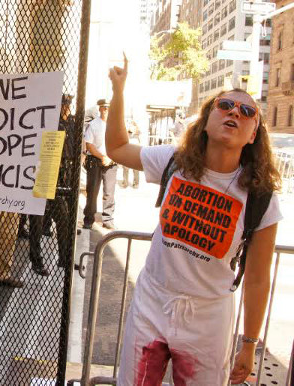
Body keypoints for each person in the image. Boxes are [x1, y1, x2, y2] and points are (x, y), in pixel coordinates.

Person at [106, 55, 282, 385]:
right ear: (206, 120)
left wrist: (248, 345)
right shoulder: (176, 162)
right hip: (152, 303)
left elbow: (258, 278)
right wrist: (118, 90)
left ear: (253, 134)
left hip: (208, 319)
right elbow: (116, 148)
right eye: (225, 105)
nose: (234, 112)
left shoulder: (261, 197)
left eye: (246, 112)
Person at [24, 94, 75, 276]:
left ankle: (64, 258)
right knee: (36, 220)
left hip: (61, 174)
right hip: (43, 171)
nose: (66, 108)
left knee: (63, 217)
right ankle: (36, 260)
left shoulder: (72, 122)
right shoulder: (47, 121)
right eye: (63, 105)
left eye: (67, 105)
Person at [82, 98, 118, 230]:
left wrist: (110, 158)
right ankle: (88, 219)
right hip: (96, 160)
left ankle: (108, 219)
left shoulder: (116, 125)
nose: (106, 111)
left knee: (109, 192)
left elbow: (119, 144)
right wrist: (102, 156)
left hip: (111, 161)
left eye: (108, 108)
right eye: (104, 108)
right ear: (100, 109)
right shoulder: (94, 124)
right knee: (92, 192)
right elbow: (89, 145)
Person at [119, 119, 140, 189]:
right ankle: (125, 183)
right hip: (127, 153)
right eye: (130, 125)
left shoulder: (138, 134)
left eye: (132, 125)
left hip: (135, 153)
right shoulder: (126, 134)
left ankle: (136, 183)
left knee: (136, 170)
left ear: (135, 127)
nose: (131, 127)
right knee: (125, 169)